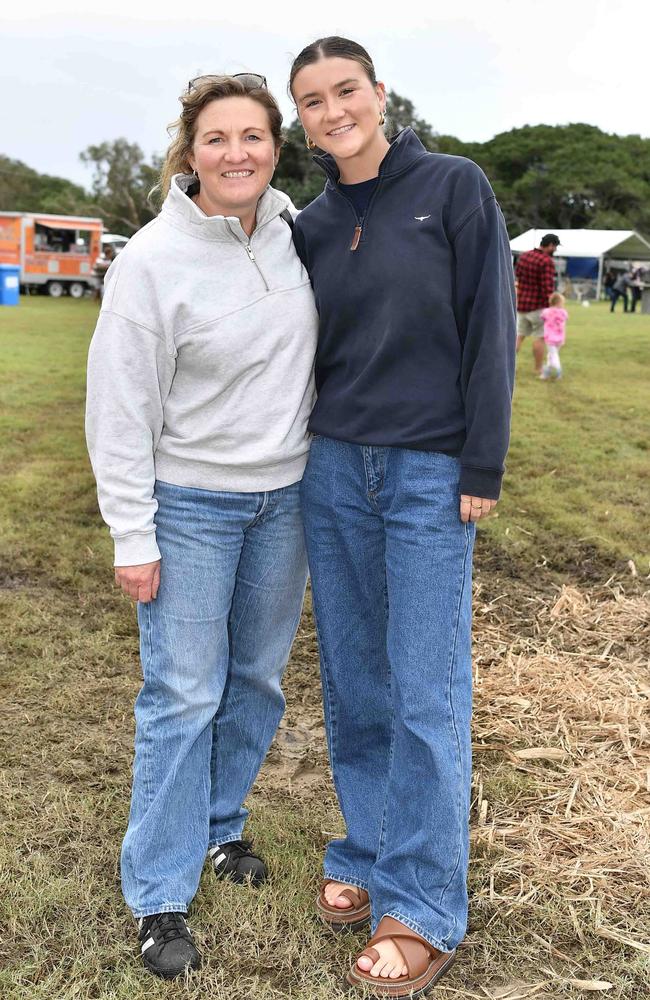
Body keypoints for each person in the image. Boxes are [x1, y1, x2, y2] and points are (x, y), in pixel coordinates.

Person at [289, 36, 515, 998]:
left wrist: (483, 461)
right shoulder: (307, 222)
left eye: (346, 89)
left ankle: (421, 904)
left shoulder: (453, 186)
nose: (333, 109)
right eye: (311, 100)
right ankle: (369, 846)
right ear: (300, 120)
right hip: (330, 469)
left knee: (427, 685)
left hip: (428, 472)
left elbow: (490, 324)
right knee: (355, 679)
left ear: (379, 93)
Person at [85, 74, 318, 980]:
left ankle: (222, 830)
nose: (236, 154)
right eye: (216, 138)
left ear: (274, 146)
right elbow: (119, 408)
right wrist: (131, 532)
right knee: (184, 692)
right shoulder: (150, 259)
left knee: (256, 682)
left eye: (252, 137)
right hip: (190, 505)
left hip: (287, 499)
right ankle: (159, 892)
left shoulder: (300, 234)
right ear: (191, 151)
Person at [514, 233, 559, 374]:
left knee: (519, 336)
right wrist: (554, 305)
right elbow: (548, 287)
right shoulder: (546, 261)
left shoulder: (524, 256)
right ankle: (538, 368)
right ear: (550, 245)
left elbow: (518, 277)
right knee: (539, 338)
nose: (555, 250)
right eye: (555, 247)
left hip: (522, 304)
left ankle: (507, 364)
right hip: (538, 306)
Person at [540, 291, 568, 380]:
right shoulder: (563, 312)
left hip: (550, 338)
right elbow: (566, 318)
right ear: (559, 303)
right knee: (552, 354)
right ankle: (547, 372)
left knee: (553, 354)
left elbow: (542, 318)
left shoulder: (546, 311)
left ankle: (558, 370)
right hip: (560, 338)